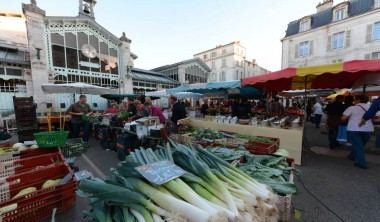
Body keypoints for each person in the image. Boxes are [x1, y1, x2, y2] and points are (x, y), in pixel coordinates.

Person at [342, 95, 378, 169]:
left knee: (358, 146)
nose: (354, 101)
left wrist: (343, 119)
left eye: (355, 99)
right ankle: (352, 156)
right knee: (359, 145)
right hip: (368, 130)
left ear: (358, 100)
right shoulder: (370, 107)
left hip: (353, 129)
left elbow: (343, 118)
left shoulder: (351, 107)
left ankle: (362, 163)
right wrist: (374, 120)